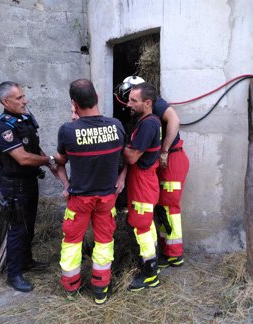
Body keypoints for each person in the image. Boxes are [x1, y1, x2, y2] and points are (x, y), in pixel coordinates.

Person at [54, 79, 125, 304]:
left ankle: (71, 288)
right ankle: (100, 290)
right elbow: (125, 160)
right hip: (107, 197)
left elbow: (60, 162)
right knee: (105, 240)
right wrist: (121, 178)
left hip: (79, 199)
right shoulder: (117, 125)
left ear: (73, 104)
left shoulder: (67, 130)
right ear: (97, 98)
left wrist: (66, 185)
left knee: (72, 241)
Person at [117, 76, 189, 269]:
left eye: (132, 99)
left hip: (171, 159)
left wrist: (164, 151)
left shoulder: (154, 110)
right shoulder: (146, 117)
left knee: (168, 207)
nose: (128, 104)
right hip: (160, 160)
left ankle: (174, 254)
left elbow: (174, 119)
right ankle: (165, 252)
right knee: (160, 208)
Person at [0, 81, 56, 292]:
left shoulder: (25, 119)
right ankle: (14, 273)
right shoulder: (2, 127)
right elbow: (22, 158)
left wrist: (48, 161)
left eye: (23, 96)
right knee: (17, 228)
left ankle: (26, 261)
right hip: (14, 186)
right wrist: (48, 159)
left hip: (29, 182)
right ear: (5, 101)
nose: (24, 100)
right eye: (19, 98)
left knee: (29, 223)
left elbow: (34, 148)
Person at [123, 82, 161, 291]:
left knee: (141, 226)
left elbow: (131, 157)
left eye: (133, 101)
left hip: (143, 182)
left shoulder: (148, 124)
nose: (128, 104)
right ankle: (152, 261)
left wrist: (118, 144)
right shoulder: (148, 121)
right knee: (146, 223)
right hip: (145, 180)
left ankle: (149, 275)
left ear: (147, 103)